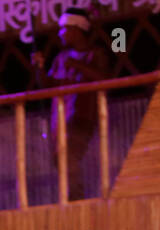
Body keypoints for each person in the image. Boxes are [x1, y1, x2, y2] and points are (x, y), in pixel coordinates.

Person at [30, 6, 111, 201]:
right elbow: (48, 86)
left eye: (63, 29)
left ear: (76, 30)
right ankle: (72, 196)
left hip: (83, 116)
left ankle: (75, 198)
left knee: (69, 156)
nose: (60, 34)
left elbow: (105, 79)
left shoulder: (95, 54)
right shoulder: (61, 58)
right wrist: (39, 68)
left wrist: (78, 66)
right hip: (60, 119)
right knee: (61, 159)